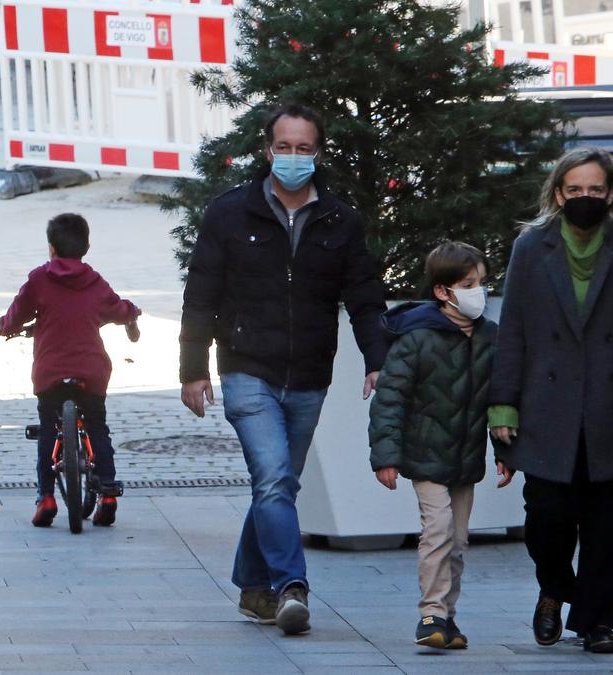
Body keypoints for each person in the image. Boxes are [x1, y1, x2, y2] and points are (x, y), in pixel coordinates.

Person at [179, 103, 389, 635]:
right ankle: (291, 587)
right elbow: (200, 295)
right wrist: (193, 368)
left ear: (318, 153)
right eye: (285, 147)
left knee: (280, 485)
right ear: (266, 149)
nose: (294, 157)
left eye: (305, 148)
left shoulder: (340, 221)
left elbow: (364, 297)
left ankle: (253, 585)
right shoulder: (229, 213)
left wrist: (377, 359)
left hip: (310, 374)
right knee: (272, 478)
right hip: (247, 366)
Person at [489, 147, 613, 654]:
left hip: (611, 403)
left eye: (594, 189)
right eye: (574, 189)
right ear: (558, 193)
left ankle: (598, 621)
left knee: (610, 526)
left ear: (611, 193)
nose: (584, 197)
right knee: (546, 517)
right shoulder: (531, 248)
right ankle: (555, 588)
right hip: (545, 406)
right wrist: (503, 406)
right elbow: (512, 331)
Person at [369, 242, 511, 650]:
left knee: (459, 539)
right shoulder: (416, 340)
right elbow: (390, 399)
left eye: (481, 283)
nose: (478, 292)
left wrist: (505, 453)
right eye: (468, 284)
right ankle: (430, 612)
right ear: (442, 292)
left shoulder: (490, 339)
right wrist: (387, 457)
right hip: (425, 454)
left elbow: (499, 400)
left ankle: (448, 616)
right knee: (438, 529)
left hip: (465, 458)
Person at [0, 213, 141, 528]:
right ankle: (108, 495)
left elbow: (17, 314)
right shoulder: (95, 282)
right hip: (91, 370)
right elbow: (118, 309)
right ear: (87, 246)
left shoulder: (38, 280)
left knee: (48, 430)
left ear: (51, 248)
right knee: (98, 428)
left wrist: (4, 328)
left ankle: (46, 497)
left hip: (50, 370)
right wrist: (133, 312)